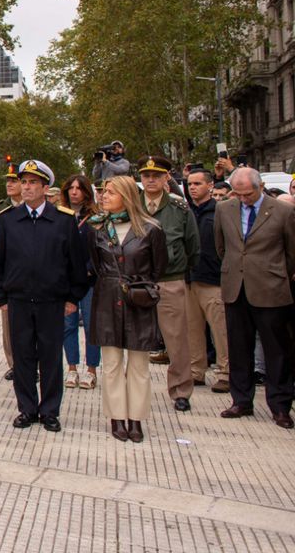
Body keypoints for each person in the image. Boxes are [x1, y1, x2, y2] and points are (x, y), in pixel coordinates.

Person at [0, 160, 89, 432]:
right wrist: (2, 298)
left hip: (52, 302)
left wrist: (72, 298)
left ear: (46, 187)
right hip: (19, 301)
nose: (27, 187)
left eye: (33, 182)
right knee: (22, 358)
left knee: (50, 358)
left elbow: (76, 266)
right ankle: (27, 408)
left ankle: (49, 410)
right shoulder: (9, 221)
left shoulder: (63, 220)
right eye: (24, 182)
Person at [86, 175, 166, 443]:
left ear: (127, 195)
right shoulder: (97, 229)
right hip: (107, 299)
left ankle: (136, 418)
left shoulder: (150, 229)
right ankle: (116, 416)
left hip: (138, 300)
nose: (104, 196)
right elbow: (96, 266)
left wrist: (137, 287)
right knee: (111, 363)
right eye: (103, 192)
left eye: (110, 192)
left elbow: (158, 268)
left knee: (139, 365)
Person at [214, 167, 295, 429]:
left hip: (271, 289)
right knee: (238, 347)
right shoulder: (225, 209)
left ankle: (280, 405)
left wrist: (276, 273)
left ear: (259, 187)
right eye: (238, 193)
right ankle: (241, 400)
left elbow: (291, 252)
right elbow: (221, 246)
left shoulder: (283, 211)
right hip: (235, 288)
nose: (242, 199)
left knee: (276, 351)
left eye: (247, 194)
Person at [137, 155, 198, 413]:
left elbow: (192, 246)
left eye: (156, 176)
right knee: (136, 340)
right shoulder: (132, 205)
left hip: (169, 280)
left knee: (176, 339)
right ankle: (136, 390)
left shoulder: (179, 208)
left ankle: (181, 390)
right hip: (138, 282)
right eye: (146, 176)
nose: (151, 180)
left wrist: (179, 271)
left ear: (166, 179)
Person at [186, 168, 230, 393]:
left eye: (197, 183)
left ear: (210, 185)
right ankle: (196, 371)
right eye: (190, 184)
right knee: (193, 329)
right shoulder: (186, 211)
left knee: (220, 330)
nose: (193, 187)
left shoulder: (221, 210)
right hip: (190, 278)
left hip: (214, 279)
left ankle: (225, 372)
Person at [60, 174, 100, 389]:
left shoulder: (96, 218)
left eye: (79, 188)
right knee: (68, 325)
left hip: (90, 280)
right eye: (71, 188)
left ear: (86, 192)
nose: (74, 191)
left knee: (91, 327)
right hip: (67, 282)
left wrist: (88, 270)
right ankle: (72, 368)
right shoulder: (60, 216)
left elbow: (101, 249)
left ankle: (91, 369)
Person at [0, 161, 22, 379]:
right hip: (10, 273)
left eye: (14, 180)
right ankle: (14, 363)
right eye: (8, 181)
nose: (10, 184)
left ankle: (34, 364)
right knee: (8, 324)